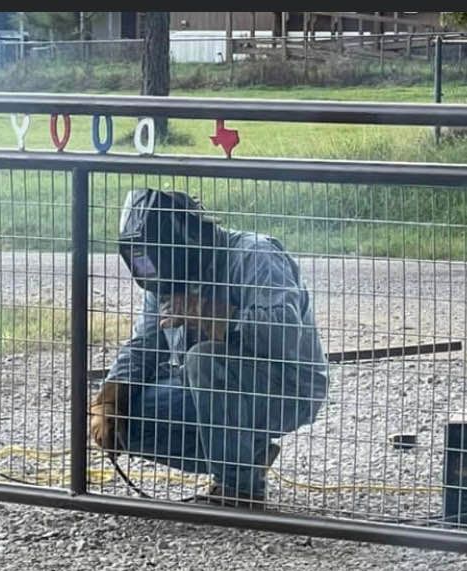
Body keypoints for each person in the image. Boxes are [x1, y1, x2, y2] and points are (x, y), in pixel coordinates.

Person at [90, 188, 328, 507]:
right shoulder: (165, 281)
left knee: (203, 359)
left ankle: (240, 490)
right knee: (124, 420)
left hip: (285, 387)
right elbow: (143, 347)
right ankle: (250, 456)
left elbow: (282, 334)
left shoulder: (254, 254)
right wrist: (109, 398)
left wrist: (207, 313)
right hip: (209, 387)